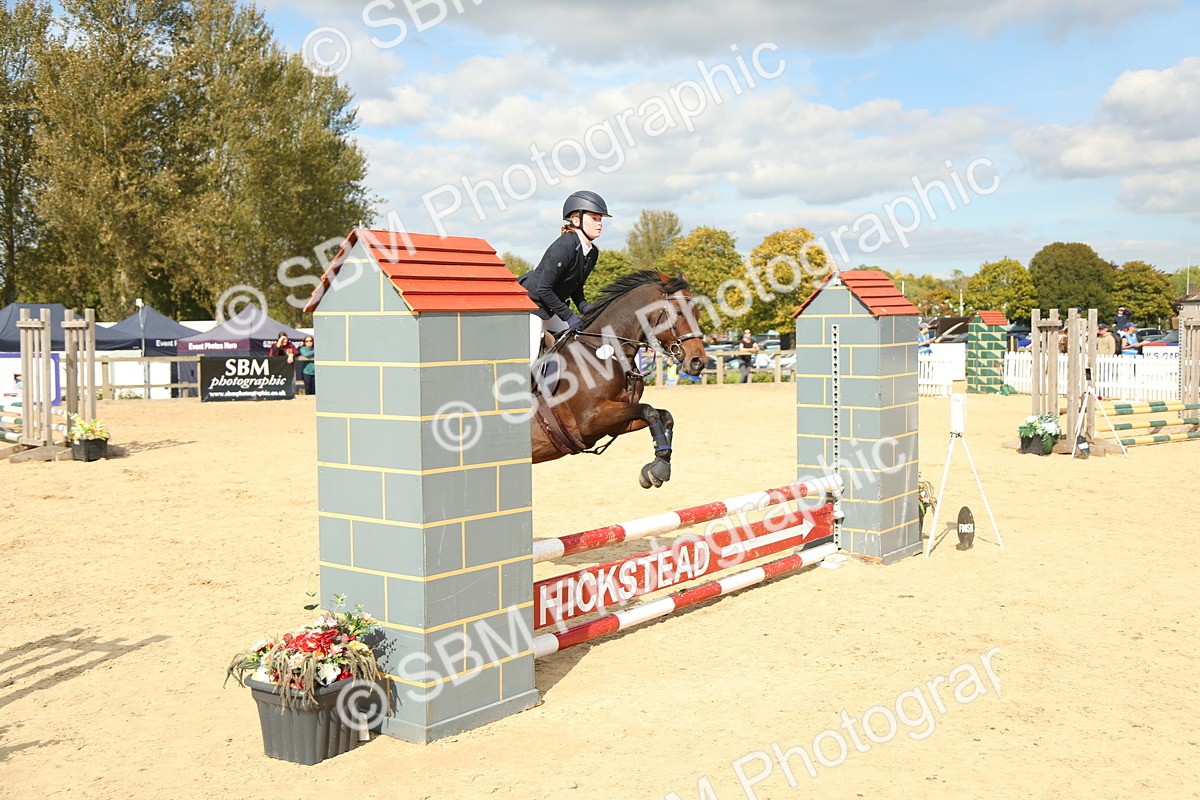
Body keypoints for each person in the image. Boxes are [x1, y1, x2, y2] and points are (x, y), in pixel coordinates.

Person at [518, 190, 609, 362]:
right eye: (594, 219)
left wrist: (587, 310)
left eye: (600, 220)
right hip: (532, 306)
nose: (599, 224)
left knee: (577, 344)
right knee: (529, 360)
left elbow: (576, 289)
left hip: (551, 309)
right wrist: (569, 316)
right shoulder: (565, 246)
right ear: (576, 220)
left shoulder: (592, 253)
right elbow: (543, 289)